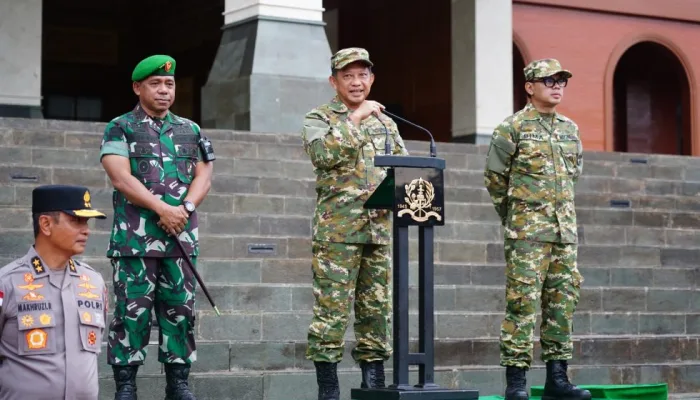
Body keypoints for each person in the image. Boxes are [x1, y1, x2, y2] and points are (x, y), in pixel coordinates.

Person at [99, 54, 215, 400]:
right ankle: (126, 385)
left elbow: (204, 174)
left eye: (169, 83)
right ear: (138, 87)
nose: (164, 90)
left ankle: (178, 383)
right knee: (131, 313)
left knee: (180, 311)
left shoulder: (190, 129)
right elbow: (120, 176)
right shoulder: (120, 127)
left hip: (180, 239)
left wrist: (186, 208)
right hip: (135, 241)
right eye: (155, 84)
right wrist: (163, 209)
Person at [300, 47, 409, 400]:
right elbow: (322, 155)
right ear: (334, 82)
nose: (356, 82)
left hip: (378, 230)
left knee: (376, 313)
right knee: (331, 313)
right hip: (337, 233)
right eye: (348, 76)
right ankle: (328, 390)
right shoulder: (319, 117)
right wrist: (356, 119)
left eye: (362, 75)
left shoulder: (386, 122)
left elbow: (406, 169)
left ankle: (373, 386)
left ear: (372, 79)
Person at [484, 58, 591, 400]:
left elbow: (574, 175)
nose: (557, 85)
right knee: (522, 304)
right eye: (549, 80)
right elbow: (495, 179)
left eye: (562, 80)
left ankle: (557, 380)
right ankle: (516, 382)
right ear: (530, 87)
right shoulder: (511, 128)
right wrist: (516, 217)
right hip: (527, 234)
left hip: (564, 233)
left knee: (562, 304)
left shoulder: (569, 129)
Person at [0, 184, 108, 400]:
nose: (86, 230)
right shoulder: (7, 283)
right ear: (46, 224)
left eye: (86, 222)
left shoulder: (94, 283)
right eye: (76, 221)